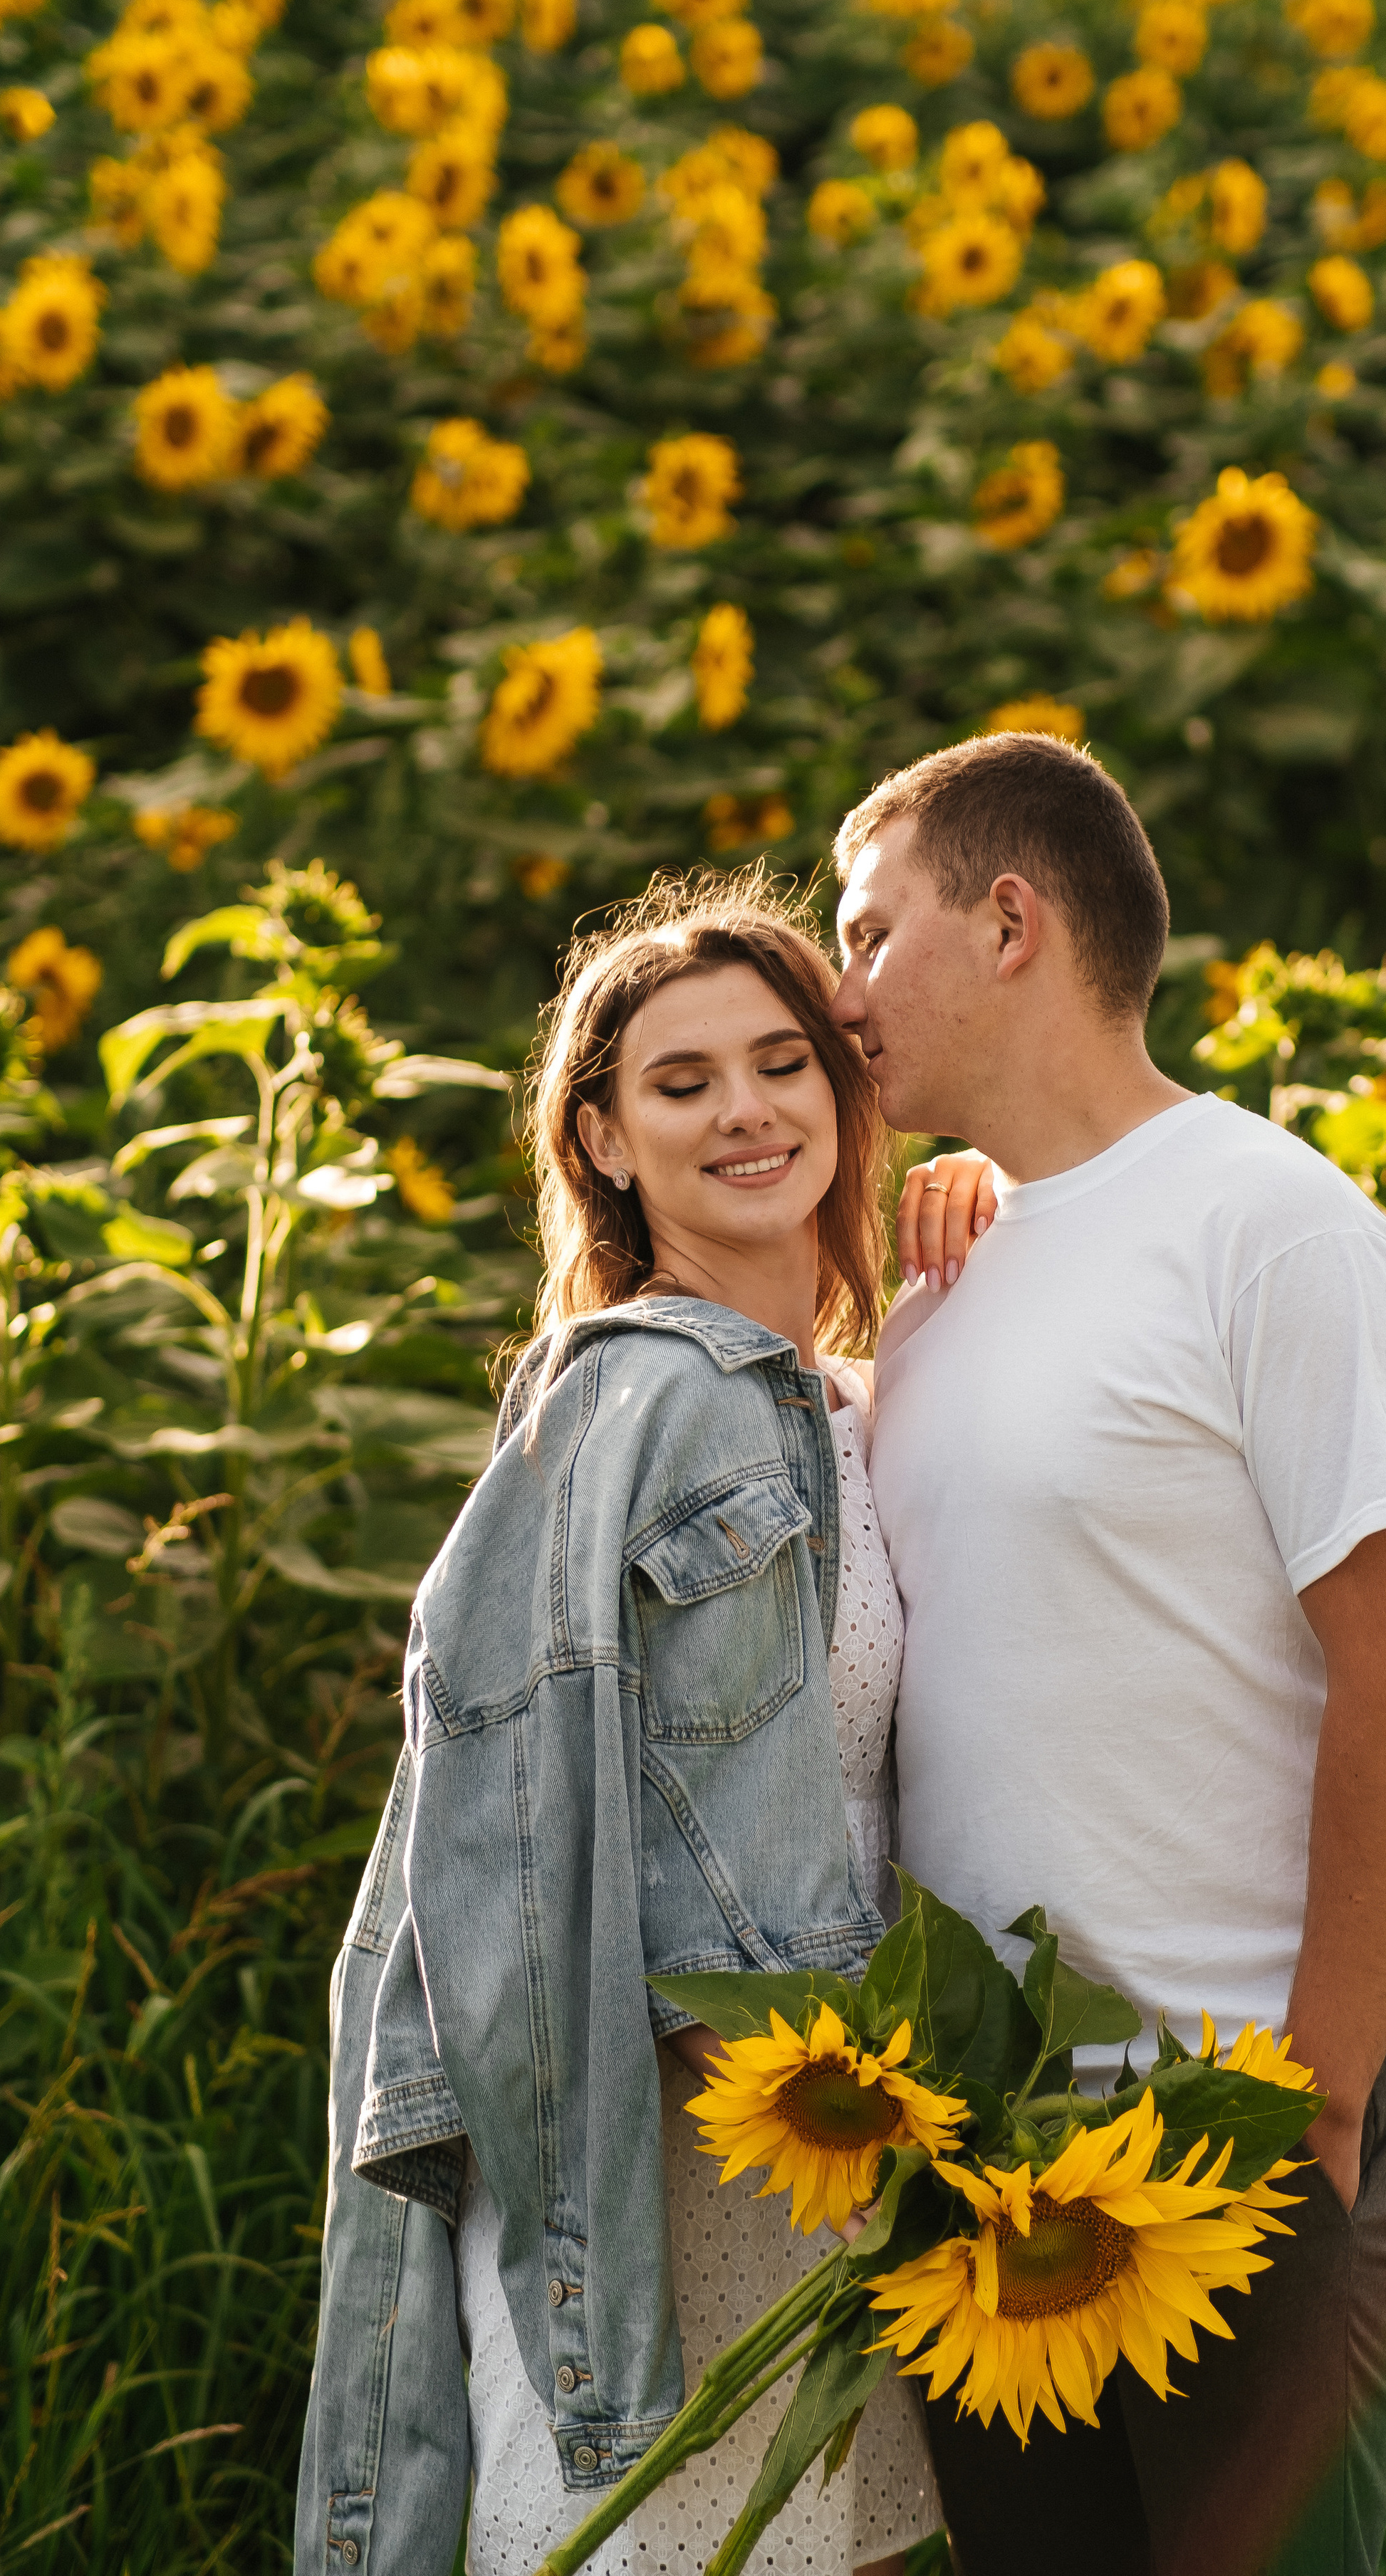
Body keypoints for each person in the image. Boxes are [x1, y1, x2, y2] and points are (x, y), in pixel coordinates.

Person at [831, 731, 1386, 2576]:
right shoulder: (944, 1272)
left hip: (1238, 2114)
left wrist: (1314, 2106)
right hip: (988, 2130)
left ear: (1009, 921)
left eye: (869, 933)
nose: (839, 990)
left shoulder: (1275, 1230)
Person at [296, 869, 986, 2576]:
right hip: (694, 2143)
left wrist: (990, 1206)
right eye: (682, 1084)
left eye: (781, 1063)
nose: (745, 1110)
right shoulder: (629, 1401)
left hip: (841, 2124)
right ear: (601, 1140)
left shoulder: (847, 1400)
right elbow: (507, 1825)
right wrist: (781, 2094)